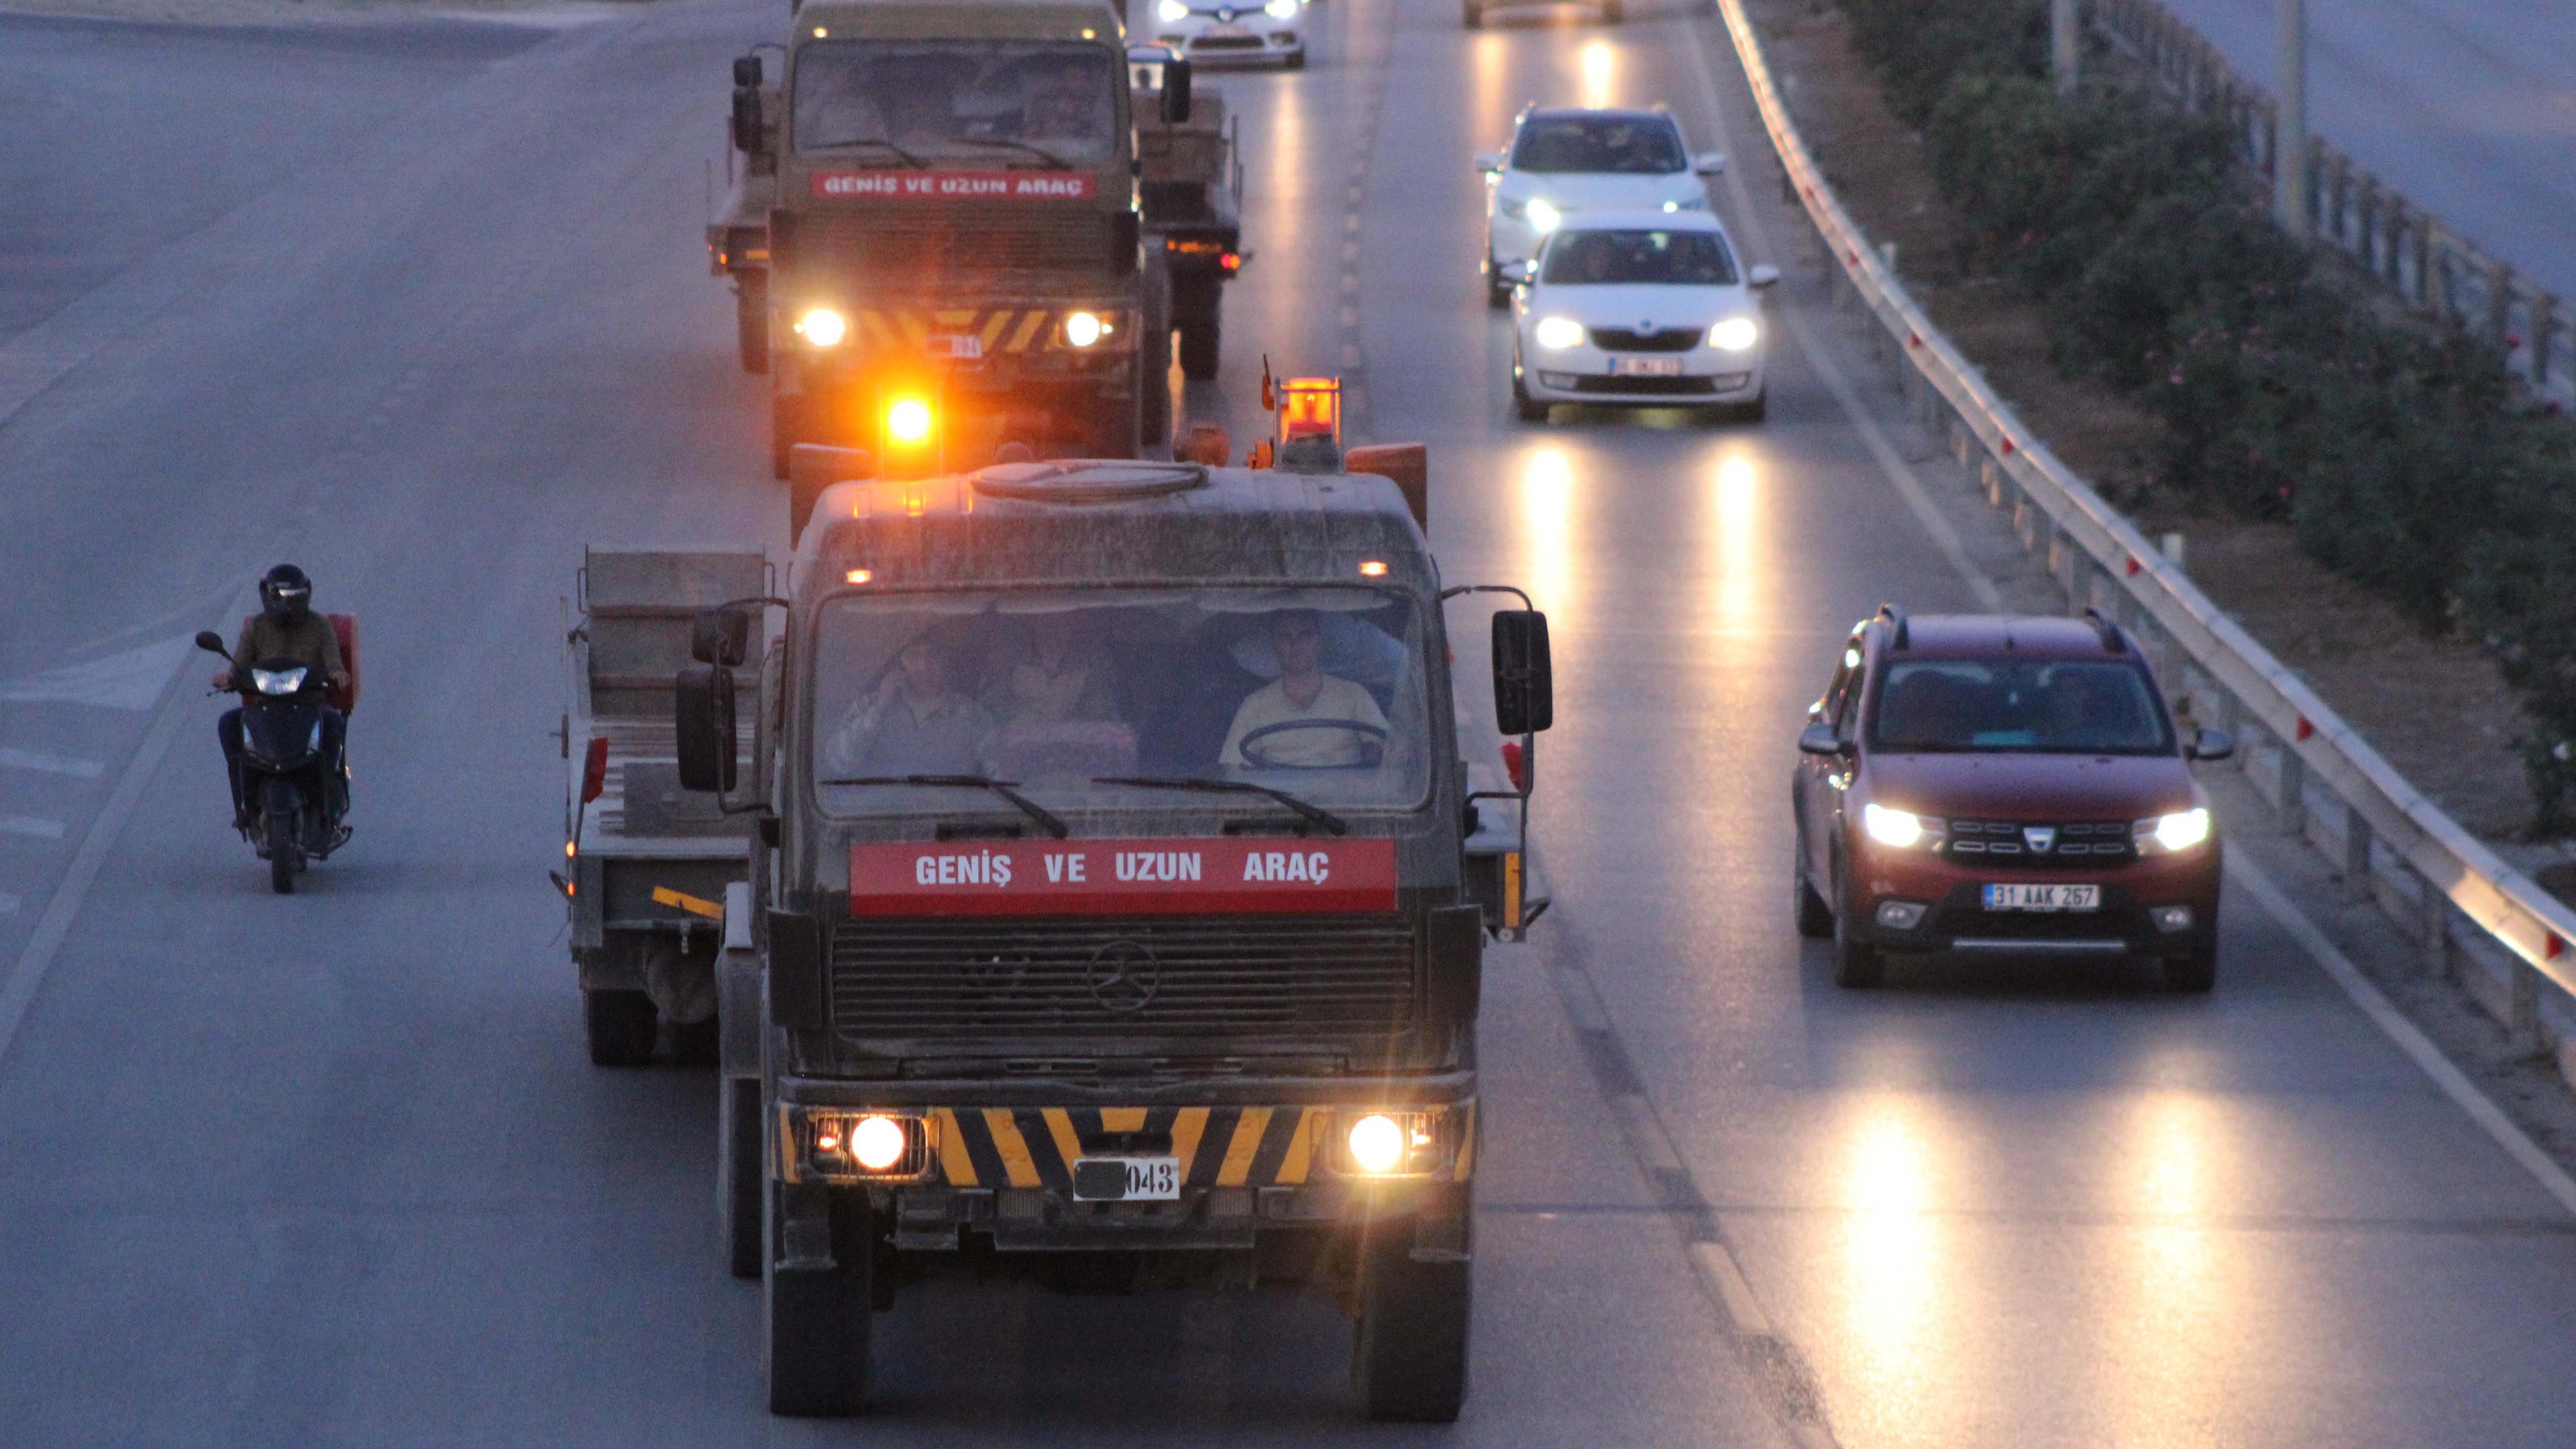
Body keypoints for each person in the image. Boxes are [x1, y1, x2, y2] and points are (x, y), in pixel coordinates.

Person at [215, 564, 350, 828]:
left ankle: (327, 797)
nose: (292, 605)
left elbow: (335, 665)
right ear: (269, 597)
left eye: (298, 598)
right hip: (266, 706)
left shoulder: (320, 625)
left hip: (309, 705)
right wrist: (227, 678)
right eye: (287, 598)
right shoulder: (256, 627)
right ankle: (244, 803)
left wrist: (338, 675)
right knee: (228, 724)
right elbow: (238, 667)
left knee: (333, 723)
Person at [1220, 610, 1387, 768]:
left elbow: (1389, 750)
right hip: (1276, 798)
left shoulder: (1354, 695)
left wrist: (1376, 755)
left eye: (1305, 635)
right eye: (1286, 637)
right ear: (1275, 645)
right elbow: (1232, 767)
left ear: (1319, 642)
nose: (1295, 644)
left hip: (1348, 797)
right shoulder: (1254, 706)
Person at [825, 637, 996, 775]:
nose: (924, 665)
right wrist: (879, 709)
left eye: (933, 655)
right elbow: (837, 764)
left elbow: (999, 774)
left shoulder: (970, 714)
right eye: (913, 656)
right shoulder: (869, 706)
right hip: (875, 813)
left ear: (945, 661)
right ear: (899, 665)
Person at [985, 616, 1118, 729]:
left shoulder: (1089, 670)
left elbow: (1103, 721)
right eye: (1047, 624)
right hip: (1017, 749)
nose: (1054, 631)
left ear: (1071, 630)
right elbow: (990, 711)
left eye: (1063, 624)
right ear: (1034, 628)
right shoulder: (1011, 664)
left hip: (1070, 750)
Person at [1020, 58, 1103, 148]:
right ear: (1064, 80)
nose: (1079, 82)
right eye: (1074, 77)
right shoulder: (1043, 104)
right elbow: (1027, 137)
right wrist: (1046, 127)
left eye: (1084, 78)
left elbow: (1100, 136)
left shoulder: (1096, 105)